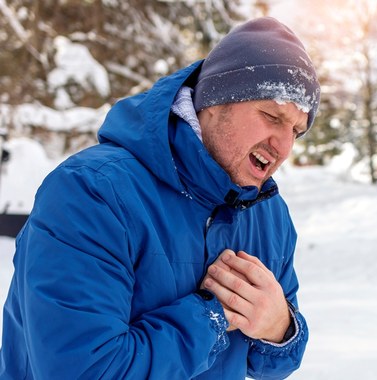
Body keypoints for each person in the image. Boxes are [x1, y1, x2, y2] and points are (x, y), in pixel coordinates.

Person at [0, 17, 320, 379]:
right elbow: (82, 371)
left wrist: (280, 328)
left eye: (296, 130)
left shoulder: (268, 214)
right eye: (271, 116)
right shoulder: (92, 193)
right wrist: (212, 315)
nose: (284, 147)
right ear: (215, 101)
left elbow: (271, 362)